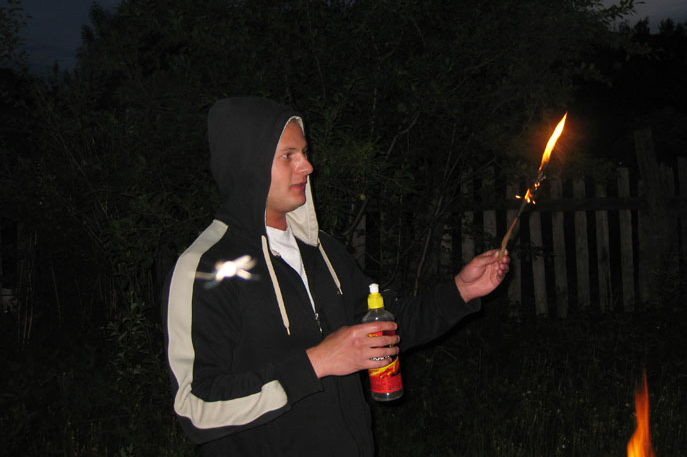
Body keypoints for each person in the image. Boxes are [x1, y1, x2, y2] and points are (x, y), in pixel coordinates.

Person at [163, 96, 510, 456]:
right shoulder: (205, 268)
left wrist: (460, 291)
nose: (307, 166)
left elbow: (383, 329)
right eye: (288, 156)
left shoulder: (324, 251)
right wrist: (317, 362)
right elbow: (195, 407)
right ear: (247, 164)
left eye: (304, 152)